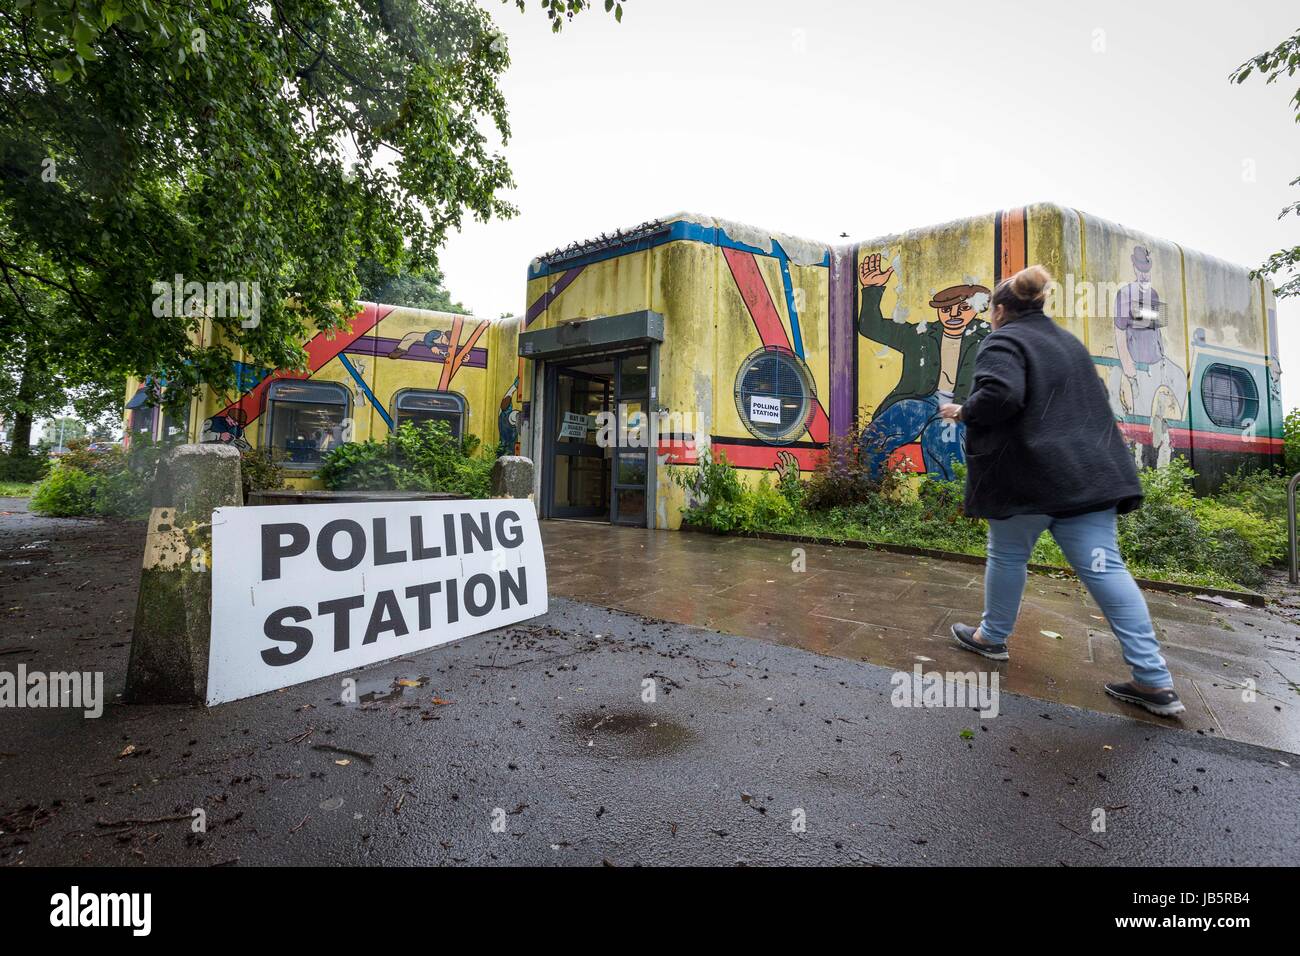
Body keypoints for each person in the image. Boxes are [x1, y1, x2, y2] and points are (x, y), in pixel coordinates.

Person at [939, 264, 1184, 717]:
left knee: (1008, 556)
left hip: (1029, 479)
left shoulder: (1004, 339)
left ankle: (991, 639)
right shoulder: (1068, 343)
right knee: (1107, 569)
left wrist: (964, 409)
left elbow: (1000, 395)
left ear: (998, 310)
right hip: (1089, 477)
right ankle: (1154, 682)